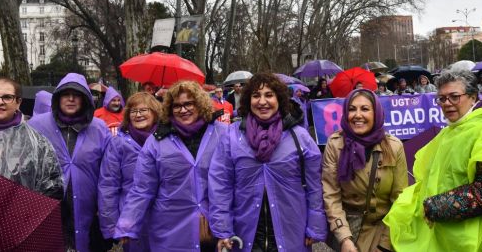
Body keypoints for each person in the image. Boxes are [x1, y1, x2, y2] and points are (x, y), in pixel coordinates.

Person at [384, 69, 482, 251]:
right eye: (442, 98)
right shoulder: (452, 130)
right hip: (445, 237)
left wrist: (433, 206)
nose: (447, 104)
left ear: (472, 96)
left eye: (454, 96)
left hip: (473, 240)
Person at [209, 73, 327, 251]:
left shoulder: (299, 136)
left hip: (292, 230)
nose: (262, 102)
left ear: (279, 99)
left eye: (269, 95)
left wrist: (315, 224)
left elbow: (314, 185)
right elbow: (221, 184)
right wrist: (222, 229)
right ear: (248, 100)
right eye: (256, 96)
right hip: (245, 233)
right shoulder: (231, 136)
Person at [114, 80, 228, 251]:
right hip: (170, 227)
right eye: (177, 106)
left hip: (214, 227)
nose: (183, 110)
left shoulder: (223, 133)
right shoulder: (156, 141)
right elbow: (142, 188)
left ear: (200, 103)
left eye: (189, 104)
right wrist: (127, 224)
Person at [29, 73, 112, 252]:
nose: (71, 99)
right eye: (66, 94)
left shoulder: (99, 128)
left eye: (77, 95)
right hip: (47, 209)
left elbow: (109, 172)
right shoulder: (36, 125)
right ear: (58, 98)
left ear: (85, 100)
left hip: (89, 209)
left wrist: (105, 209)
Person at [322, 89, 407, 252]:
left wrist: (386, 244)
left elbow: (400, 200)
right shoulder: (335, 144)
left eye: (365, 109)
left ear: (376, 113)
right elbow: (331, 195)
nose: (357, 115)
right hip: (350, 231)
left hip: (384, 229)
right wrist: (344, 239)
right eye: (352, 109)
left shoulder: (394, 146)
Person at [98, 92, 162, 252]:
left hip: (164, 218)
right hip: (131, 220)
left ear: (155, 112)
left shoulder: (166, 140)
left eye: (143, 110)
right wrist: (112, 226)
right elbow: (108, 185)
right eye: (133, 111)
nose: (138, 115)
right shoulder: (118, 144)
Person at [0, 77, 63, 198]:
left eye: (7, 97)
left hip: (18, 214)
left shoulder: (37, 142)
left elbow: (52, 185)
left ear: (18, 102)